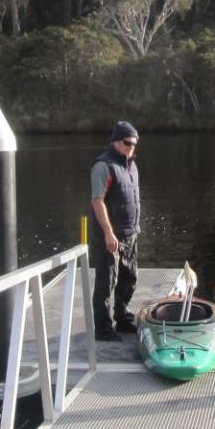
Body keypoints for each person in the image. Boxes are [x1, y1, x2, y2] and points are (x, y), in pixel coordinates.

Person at [90, 120, 141, 341]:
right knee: (106, 282)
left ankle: (123, 318)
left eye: (134, 143)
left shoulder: (131, 165)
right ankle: (102, 328)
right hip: (110, 235)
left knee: (129, 277)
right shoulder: (103, 165)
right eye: (127, 142)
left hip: (131, 233)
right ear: (115, 142)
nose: (131, 147)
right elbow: (98, 201)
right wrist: (108, 233)